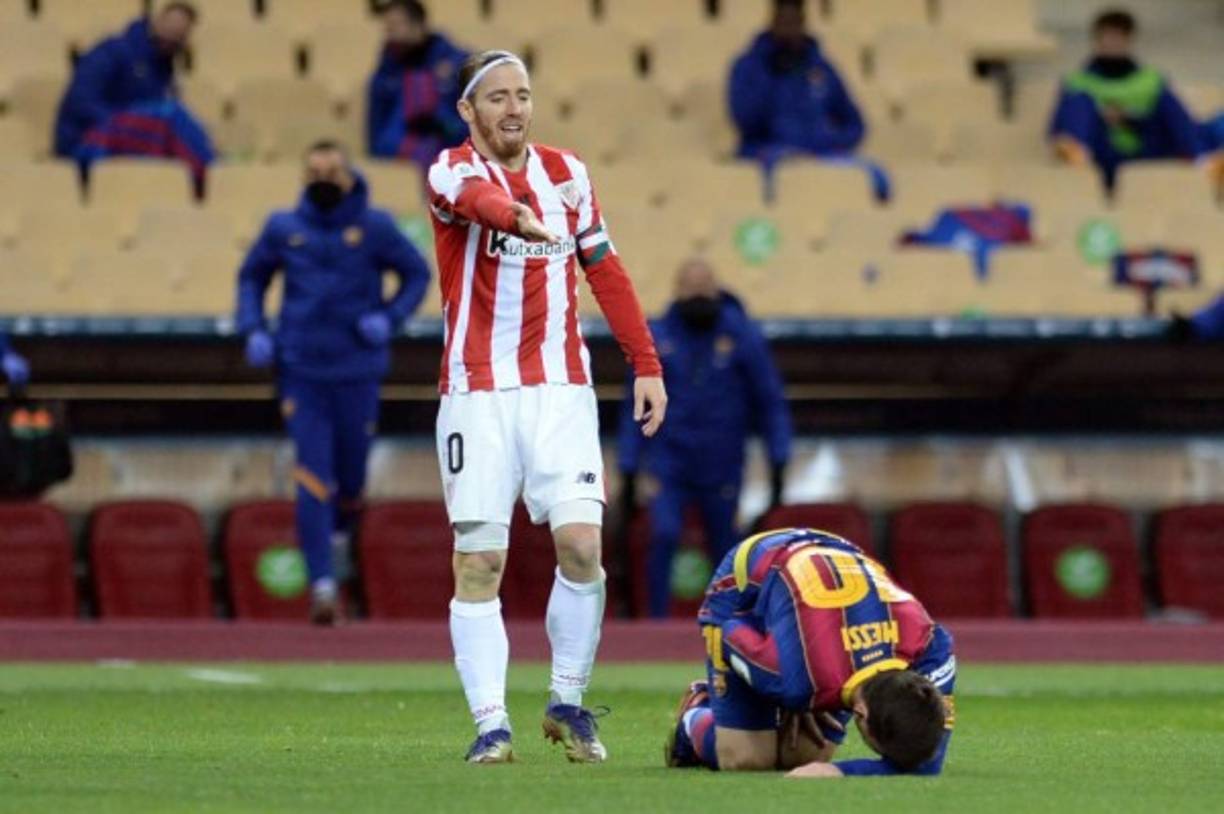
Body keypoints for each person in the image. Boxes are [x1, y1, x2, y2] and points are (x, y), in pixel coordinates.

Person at [426, 50, 667, 764]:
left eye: (523, 95)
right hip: (478, 391)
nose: (513, 108)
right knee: (480, 560)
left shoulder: (569, 174)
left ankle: (567, 702)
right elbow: (477, 203)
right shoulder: (451, 170)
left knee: (584, 547)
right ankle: (491, 724)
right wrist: (516, 217)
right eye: (496, 97)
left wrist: (646, 364)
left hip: (561, 388)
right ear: (469, 111)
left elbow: (606, 268)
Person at [236, 140, 431, 625]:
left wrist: (391, 318)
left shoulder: (376, 226)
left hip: (357, 370)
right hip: (301, 371)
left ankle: (339, 538)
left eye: (331, 171)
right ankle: (323, 585)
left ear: (349, 176)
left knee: (351, 479)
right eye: (314, 171)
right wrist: (254, 327)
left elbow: (417, 274)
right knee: (311, 476)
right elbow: (252, 278)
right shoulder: (284, 228)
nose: (323, 179)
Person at [665, 527, 956, 777]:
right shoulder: (794, 673)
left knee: (803, 757)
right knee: (747, 760)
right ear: (860, 712)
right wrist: (787, 691)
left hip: (830, 571)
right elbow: (731, 631)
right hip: (747, 584)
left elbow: (926, 761)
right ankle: (694, 714)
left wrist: (839, 769)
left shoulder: (932, 647)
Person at [617, 259, 791, 618]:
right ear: (676, 290)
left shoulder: (742, 336)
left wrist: (778, 461)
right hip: (670, 464)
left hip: (722, 464)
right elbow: (633, 408)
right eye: (690, 288)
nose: (697, 295)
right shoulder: (656, 337)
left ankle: (730, 627)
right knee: (663, 535)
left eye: (704, 287)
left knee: (728, 550)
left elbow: (770, 402)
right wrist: (629, 469)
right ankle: (654, 629)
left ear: (717, 289)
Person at [53, 2, 214, 194]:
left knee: (176, 124)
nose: (173, 34)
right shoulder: (112, 51)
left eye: (181, 33)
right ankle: (212, 173)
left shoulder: (165, 73)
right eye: (171, 25)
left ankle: (209, 177)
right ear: (157, 21)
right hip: (84, 142)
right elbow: (80, 101)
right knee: (172, 114)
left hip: (131, 146)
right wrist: (123, 121)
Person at [1049, 8, 1220, 189]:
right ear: (1096, 41)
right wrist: (1101, 117)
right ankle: (1077, 150)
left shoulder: (1150, 78)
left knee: (1165, 101)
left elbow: (1171, 120)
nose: (1112, 44)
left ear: (1129, 40)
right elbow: (1055, 128)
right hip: (1101, 146)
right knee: (1079, 101)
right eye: (1106, 37)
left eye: (1118, 38)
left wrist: (1128, 119)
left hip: (1147, 144)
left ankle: (1200, 157)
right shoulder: (1077, 81)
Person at [728, 0, 865, 166]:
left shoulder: (821, 68)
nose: (788, 30)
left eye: (793, 22)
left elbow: (854, 123)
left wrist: (832, 140)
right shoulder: (750, 66)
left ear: (802, 23)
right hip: (769, 154)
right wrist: (771, 75)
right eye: (783, 22)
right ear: (772, 23)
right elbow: (745, 120)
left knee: (874, 175)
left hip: (820, 153)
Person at [367, 0, 469, 171]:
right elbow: (377, 132)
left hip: (452, 151)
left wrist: (445, 127)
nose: (389, 32)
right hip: (399, 156)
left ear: (418, 24)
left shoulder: (456, 63)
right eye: (387, 26)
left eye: (395, 24)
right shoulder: (385, 74)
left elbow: (471, 122)